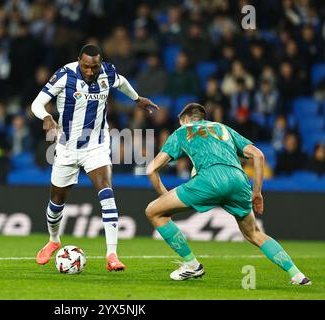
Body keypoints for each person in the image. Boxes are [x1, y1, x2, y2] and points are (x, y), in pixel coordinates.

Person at [145, 103, 310, 285]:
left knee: (153, 211)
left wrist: (165, 201)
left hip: (209, 179)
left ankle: (192, 265)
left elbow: (151, 169)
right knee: (254, 233)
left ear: (184, 120)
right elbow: (259, 155)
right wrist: (257, 193)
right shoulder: (223, 128)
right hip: (239, 180)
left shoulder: (181, 132)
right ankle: (298, 275)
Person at [31, 44, 158, 271]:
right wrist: (47, 116)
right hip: (66, 147)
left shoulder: (107, 72)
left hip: (96, 146)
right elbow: (36, 103)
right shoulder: (65, 75)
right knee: (56, 201)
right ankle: (53, 240)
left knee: (106, 192)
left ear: (100, 63)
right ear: (78, 60)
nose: (90, 72)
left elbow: (121, 82)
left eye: (94, 67)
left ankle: (112, 255)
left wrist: (137, 99)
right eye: (86, 66)